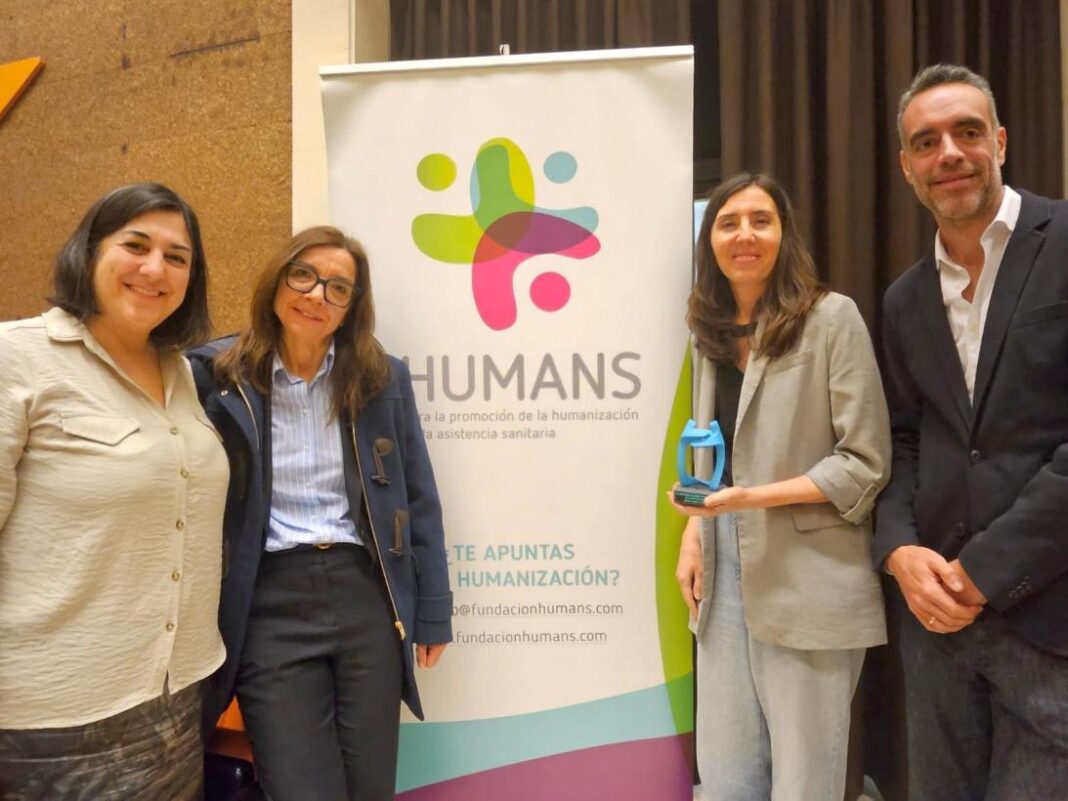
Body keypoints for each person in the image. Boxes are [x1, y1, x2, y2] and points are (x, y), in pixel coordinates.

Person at [188, 225, 452, 801]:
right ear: (277, 281)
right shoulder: (218, 376)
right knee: (300, 787)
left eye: (338, 288)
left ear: (352, 307)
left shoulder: (381, 377)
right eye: (303, 276)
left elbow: (418, 497)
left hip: (366, 597)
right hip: (268, 604)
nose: (316, 296)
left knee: (370, 785)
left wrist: (433, 612)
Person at [877, 63, 1068, 800]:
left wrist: (986, 567)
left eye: (967, 132)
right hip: (938, 630)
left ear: (1001, 141)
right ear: (907, 166)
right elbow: (904, 439)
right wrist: (898, 549)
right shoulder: (904, 300)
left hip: (1049, 618)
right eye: (926, 142)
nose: (949, 153)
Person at [0, 183, 225, 799]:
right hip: (51, 722)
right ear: (89, 251)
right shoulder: (15, 357)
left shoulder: (183, 373)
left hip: (175, 701)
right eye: (135, 245)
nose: (155, 269)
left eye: (177, 257)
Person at [673, 172, 890, 801]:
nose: (744, 234)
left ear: (783, 234)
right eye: (728, 222)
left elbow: (865, 463)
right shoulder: (708, 333)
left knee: (804, 780)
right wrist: (694, 530)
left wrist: (752, 499)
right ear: (710, 241)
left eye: (760, 220)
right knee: (726, 774)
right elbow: (708, 454)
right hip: (722, 571)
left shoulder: (831, 318)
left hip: (810, 574)